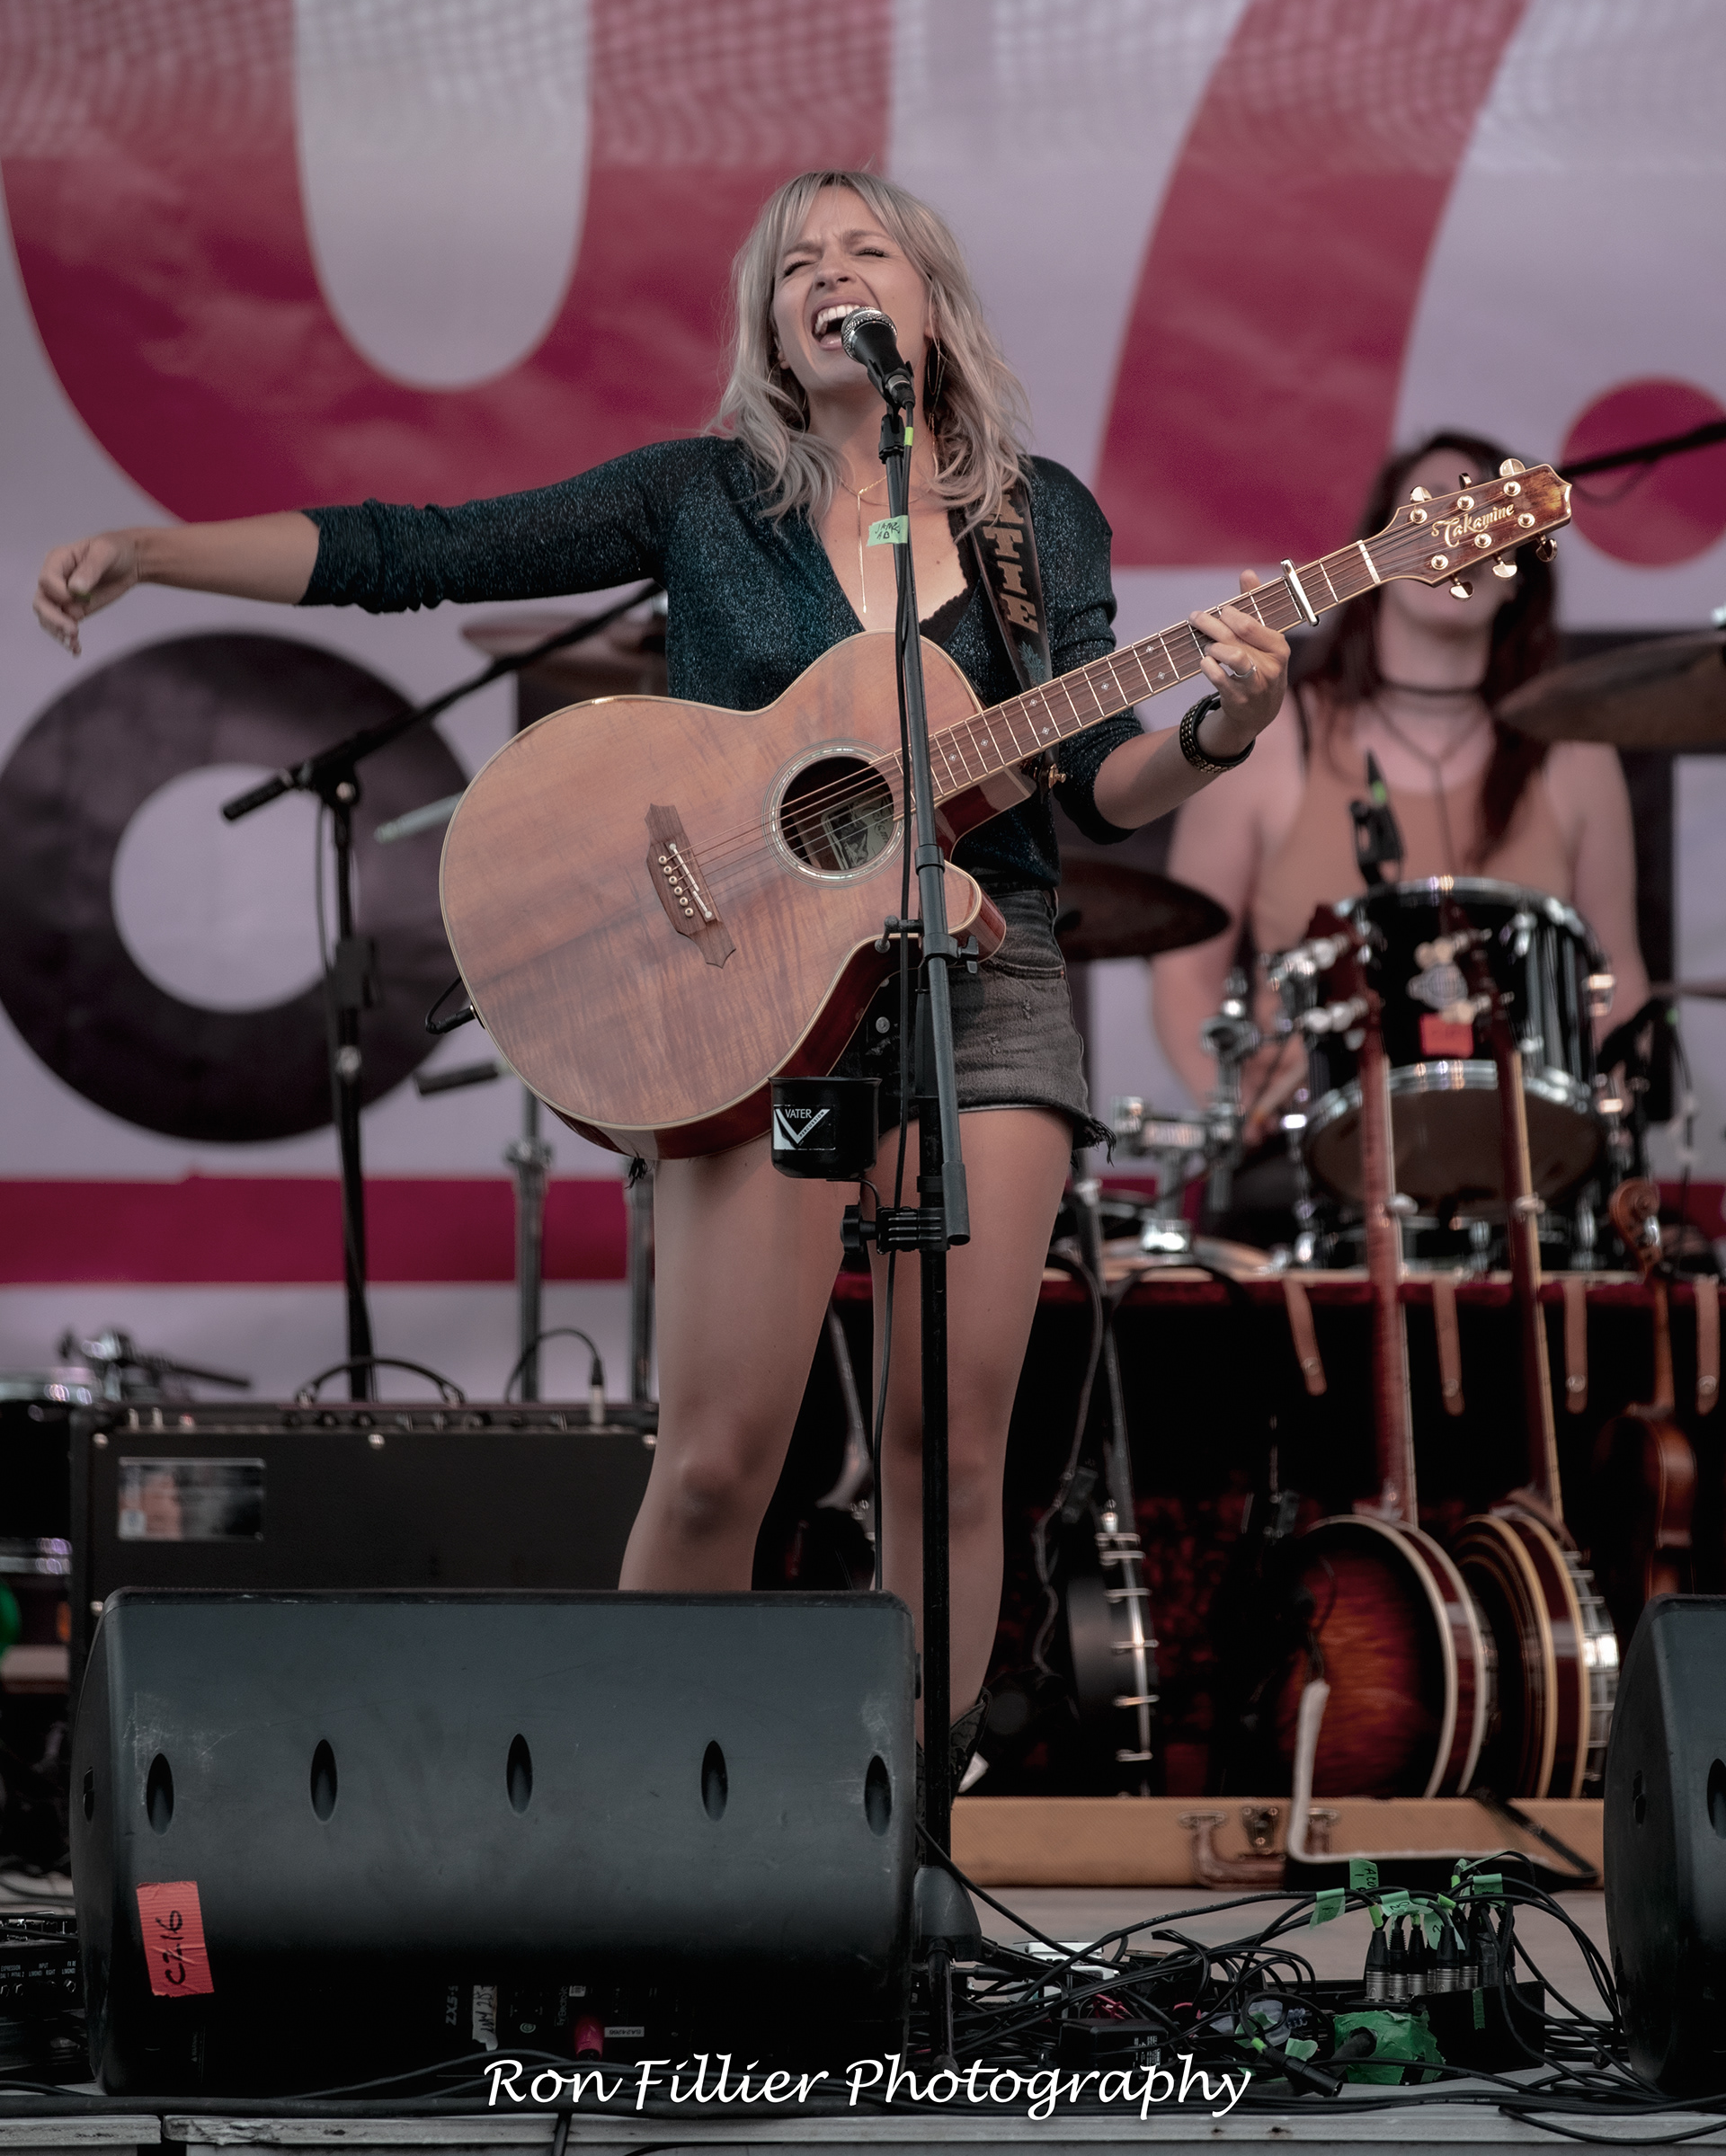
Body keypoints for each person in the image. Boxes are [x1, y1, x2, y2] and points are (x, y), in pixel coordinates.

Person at [34, 169, 1289, 1771]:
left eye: (865, 249)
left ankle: (892, 1829)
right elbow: (424, 550)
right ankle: (645, 1832)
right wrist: (157, 551)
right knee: (710, 1463)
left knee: (952, 1451)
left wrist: (1222, 728)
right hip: (742, 987)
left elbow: (1099, 782)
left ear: (930, 307)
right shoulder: (706, 497)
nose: (828, 274)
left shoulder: (1039, 518)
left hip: (985, 973)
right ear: (771, 323)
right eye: (796, 263)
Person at [1152, 428, 1649, 1166]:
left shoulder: (1573, 755)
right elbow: (1184, 970)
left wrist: (1590, 1119)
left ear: (1518, 569)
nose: (1459, 531)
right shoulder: (1275, 737)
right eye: (1432, 508)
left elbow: (1618, 978)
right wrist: (1238, 1113)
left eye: (1484, 515)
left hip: (1518, 1159)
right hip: (1312, 1161)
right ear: (1375, 551)